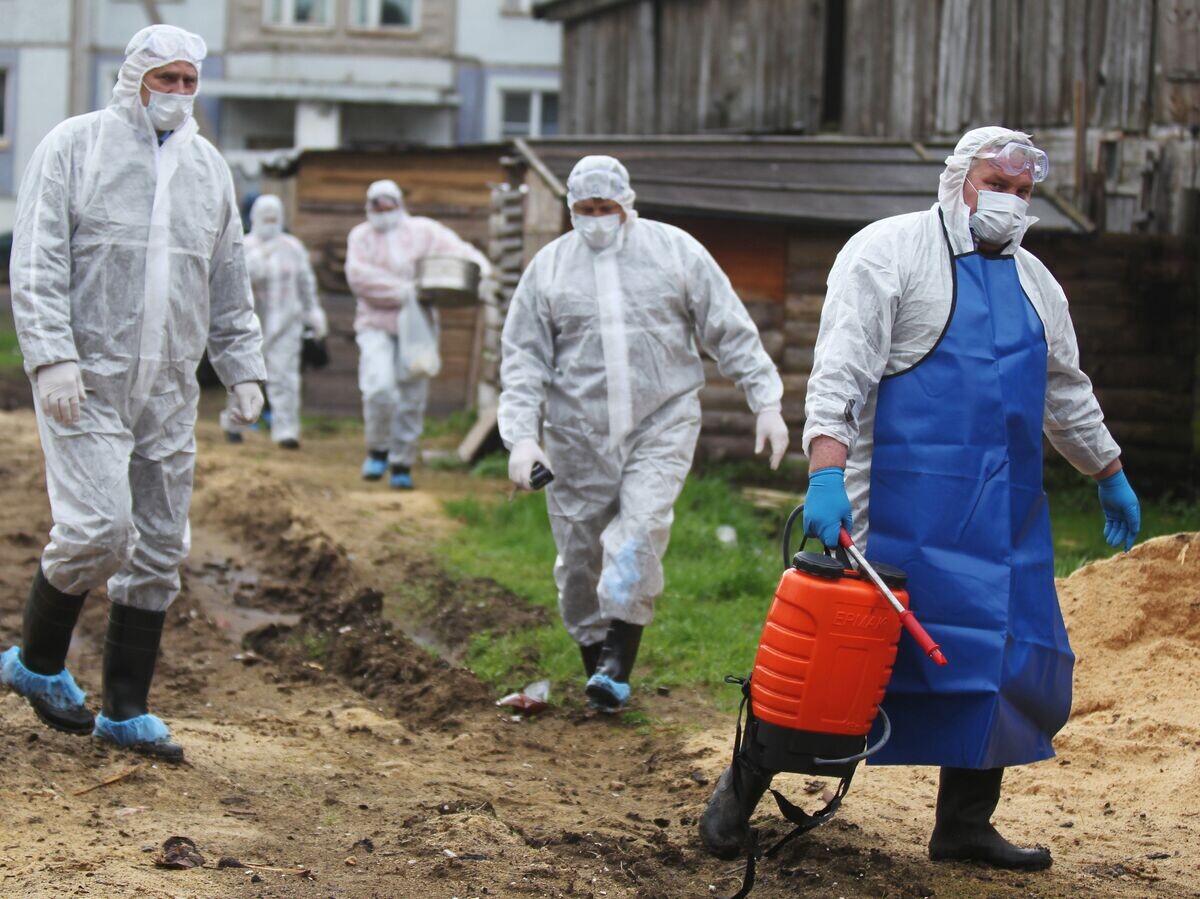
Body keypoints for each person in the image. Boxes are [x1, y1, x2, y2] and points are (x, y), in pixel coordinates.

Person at [699, 127, 1142, 869]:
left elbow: (1064, 391)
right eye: (997, 184)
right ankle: (736, 795)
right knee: (831, 661)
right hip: (895, 513)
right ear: (958, 180)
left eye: (1024, 192)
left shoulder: (1039, 282)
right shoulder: (889, 252)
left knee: (996, 661)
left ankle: (965, 823)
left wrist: (1108, 469)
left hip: (1001, 525)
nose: (1010, 202)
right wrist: (825, 472)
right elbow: (841, 369)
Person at [1, 25, 266, 762]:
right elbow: (39, 258)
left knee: (157, 548)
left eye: (190, 81)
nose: (178, 94)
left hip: (170, 389)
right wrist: (51, 357)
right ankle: (37, 661)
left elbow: (227, 281)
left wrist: (242, 367)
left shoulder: (208, 170)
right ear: (134, 78)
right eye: (166, 79)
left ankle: (125, 708)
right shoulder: (75, 147)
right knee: (97, 529)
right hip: (86, 381)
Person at [499, 155, 790, 710]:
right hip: (576, 431)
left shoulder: (674, 252)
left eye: (606, 207)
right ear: (571, 210)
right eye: (585, 209)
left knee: (639, 532)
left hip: (663, 420)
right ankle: (595, 659)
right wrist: (520, 437)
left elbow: (727, 326)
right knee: (579, 556)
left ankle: (616, 665)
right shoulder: (550, 268)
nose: (597, 218)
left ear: (627, 204)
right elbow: (523, 359)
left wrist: (766, 400)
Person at [345, 179, 491, 489]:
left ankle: (402, 462)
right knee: (378, 387)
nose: (383, 212)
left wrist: (482, 269)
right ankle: (378, 449)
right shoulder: (361, 237)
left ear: (399, 204)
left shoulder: (423, 231)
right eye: (377, 206)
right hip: (376, 324)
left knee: (412, 394)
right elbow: (360, 279)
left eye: (389, 205)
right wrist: (404, 291)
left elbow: (459, 252)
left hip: (419, 325)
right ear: (369, 208)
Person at [221, 194, 327, 449]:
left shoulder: (292, 247)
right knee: (244, 375)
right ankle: (234, 423)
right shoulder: (243, 246)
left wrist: (314, 312)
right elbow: (237, 281)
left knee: (285, 379)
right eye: (265, 216)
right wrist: (261, 257)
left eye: (274, 217)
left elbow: (305, 283)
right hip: (251, 325)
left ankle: (286, 431)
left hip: (287, 322)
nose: (270, 221)